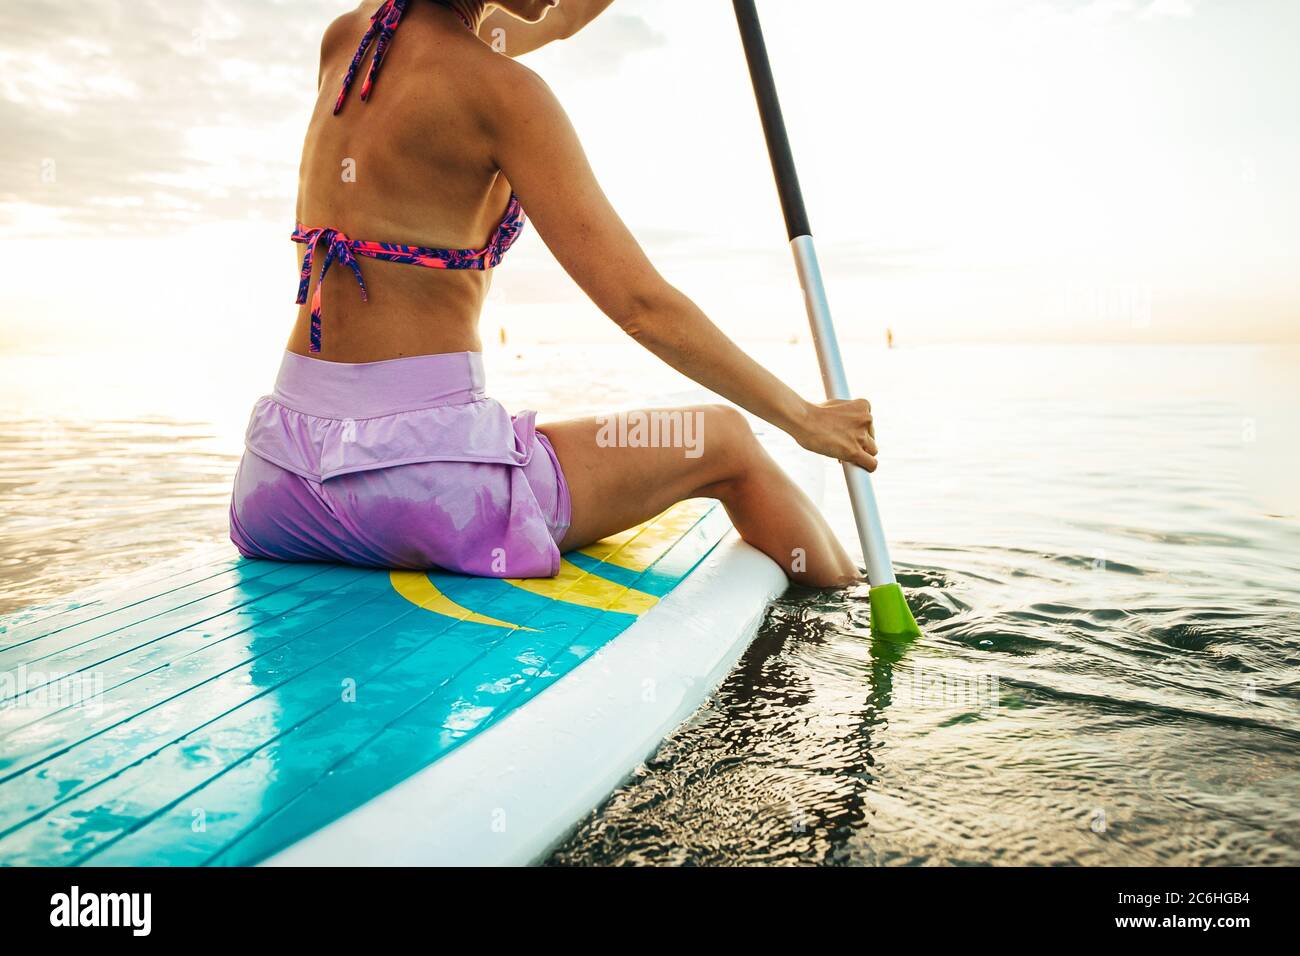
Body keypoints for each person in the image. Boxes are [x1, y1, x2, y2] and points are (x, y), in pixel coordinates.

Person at [230, 0, 877, 587]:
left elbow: (555, 19)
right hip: (424, 487)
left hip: (278, 480)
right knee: (727, 440)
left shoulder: (353, 38)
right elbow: (641, 307)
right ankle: (858, 621)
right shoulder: (508, 95)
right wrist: (805, 420)